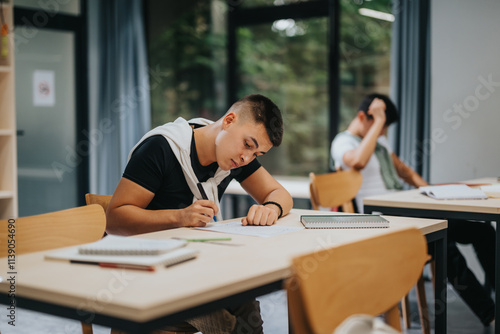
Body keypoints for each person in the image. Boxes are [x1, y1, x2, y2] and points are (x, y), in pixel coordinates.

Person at [107, 94, 293, 334]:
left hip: (193, 272)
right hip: (146, 283)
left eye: (256, 154)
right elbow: (114, 219)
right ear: (228, 121)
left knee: (244, 299)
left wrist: (270, 208)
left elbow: (279, 194)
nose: (247, 158)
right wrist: (180, 217)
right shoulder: (162, 148)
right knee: (235, 314)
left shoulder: (233, 157)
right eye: (248, 145)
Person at [331, 93, 495, 327]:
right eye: (382, 124)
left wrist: (432, 193)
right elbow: (357, 161)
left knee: (483, 232)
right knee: (443, 241)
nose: (384, 131)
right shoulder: (342, 142)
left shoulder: (380, 141)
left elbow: (404, 171)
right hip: (381, 221)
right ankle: (490, 314)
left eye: (385, 126)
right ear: (362, 117)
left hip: (407, 210)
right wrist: (378, 122)